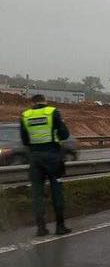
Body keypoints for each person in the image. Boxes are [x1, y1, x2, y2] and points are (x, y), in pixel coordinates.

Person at [20, 95, 72, 237]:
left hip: (35, 158)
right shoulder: (52, 112)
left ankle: (41, 228)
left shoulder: (25, 115)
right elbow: (64, 135)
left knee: (37, 193)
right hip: (52, 156)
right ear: (45, 101)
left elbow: (24, 140)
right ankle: (60, 226)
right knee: (56, 191)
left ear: (32, 102)